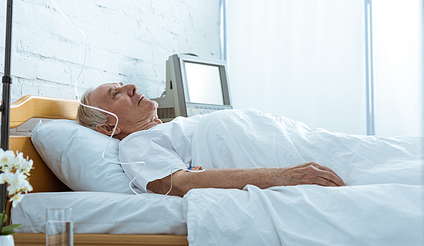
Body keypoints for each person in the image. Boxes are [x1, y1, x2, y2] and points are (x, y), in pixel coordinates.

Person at [77, 82, 346, 196]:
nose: (131, 87)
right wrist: (285, 176)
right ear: (106, 127)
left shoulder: (167, 130)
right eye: (116, 94)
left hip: (290, 139)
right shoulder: (136, 144)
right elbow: (181, 184)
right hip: (284, 157)